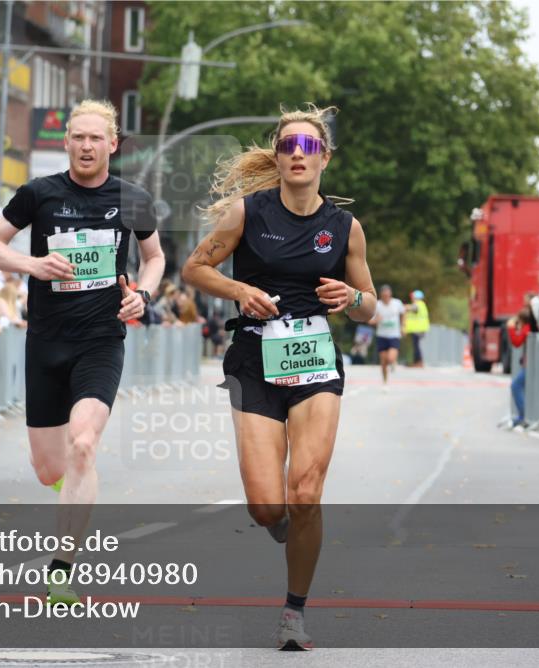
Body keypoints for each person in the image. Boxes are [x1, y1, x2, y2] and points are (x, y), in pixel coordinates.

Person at [181, 105, 376, 650]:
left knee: (306, 491)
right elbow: (195, 268)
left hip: (314, 361)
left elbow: (370, 306)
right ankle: (285, 528)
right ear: (278, 154)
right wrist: (240, 291)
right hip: (254, 360)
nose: (298, 153)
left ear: (324, 159)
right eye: (289, 145)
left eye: (309, 147)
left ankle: (294, 614)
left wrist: (352, 297)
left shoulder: (344, 228)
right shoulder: (247, 213)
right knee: (268, 505)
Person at [0, 99, 165, 606]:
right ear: (66, 142)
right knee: (49, 469)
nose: (86, 146)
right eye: (77, 137)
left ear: (112, 144)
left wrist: (142, 295)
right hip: (46, 342)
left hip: (101, 340)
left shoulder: (132, 198)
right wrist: (30, 264)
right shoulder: (38, 194)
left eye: (95, 138)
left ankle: (61, 570)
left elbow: (154, 257)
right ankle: (72, 488)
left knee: (84, 444)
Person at [368, 284, 404, 384]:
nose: (386, 297)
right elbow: (370, 321)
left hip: (394, 335)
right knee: (383, 363)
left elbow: (403, 314)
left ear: (390, 294)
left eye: (387, 295)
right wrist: (376, 320)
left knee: (390, 358)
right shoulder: (377, 305)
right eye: (384, 295)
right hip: (382, 336)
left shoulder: (397, 303)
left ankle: (393, 362)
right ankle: (385, 382)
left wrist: (403, 326)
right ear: (381, 295)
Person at [506, 304, 535, 428]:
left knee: (516, 385)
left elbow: (516, 342)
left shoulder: (526, 329)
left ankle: (524, 415)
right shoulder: (528, 328)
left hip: (530, 365)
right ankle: (524, 415)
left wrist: (511, 328)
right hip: (529, 363)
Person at [404, 289, 430, 367]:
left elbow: (413, 309)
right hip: (418, 328)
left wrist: (405, 307)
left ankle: (418, 362)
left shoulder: (418, 304)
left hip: (418, 329)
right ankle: (417, 361)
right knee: (416, 346)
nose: (411, 298)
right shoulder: (421, 304)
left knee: (417, 346)